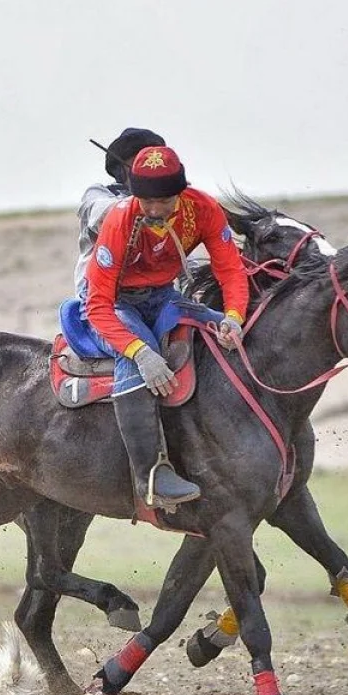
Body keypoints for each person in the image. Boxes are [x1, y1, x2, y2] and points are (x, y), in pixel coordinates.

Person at [76, 144, 249, 512]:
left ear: (181, 193)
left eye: (163, 201)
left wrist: (233, 317)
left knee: (220, 326)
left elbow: (231, 270)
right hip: (116, 302)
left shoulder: (204, 209)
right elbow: (98, 305)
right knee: (136, 355)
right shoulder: (120, 219)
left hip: (164, 295)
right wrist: (141, 354)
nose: (153, 209)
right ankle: (151, 476)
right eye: (145, 200)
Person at [74, 127, 165, 296]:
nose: (152, 170)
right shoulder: (98, 195)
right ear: (121, 170)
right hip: (102, 293)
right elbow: (106, 214)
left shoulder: (168, 202)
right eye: (142, 162)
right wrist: (156, 198)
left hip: (156, 294)